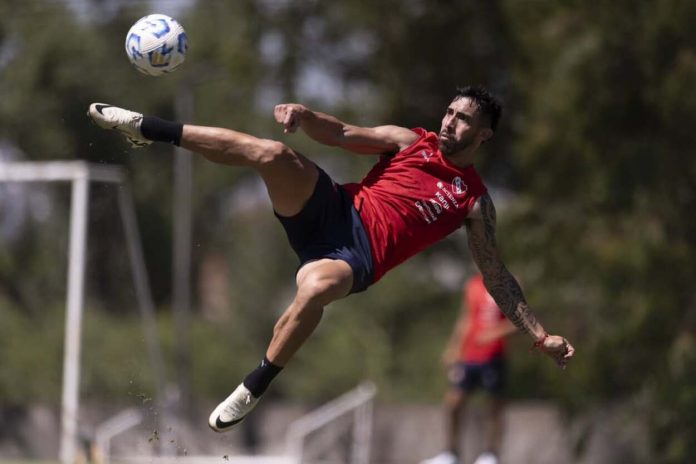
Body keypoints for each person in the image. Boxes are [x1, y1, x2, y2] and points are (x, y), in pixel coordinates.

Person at [86, 86, 575, 433]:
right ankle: (147, 129)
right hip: (334, 208)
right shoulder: (411, 142)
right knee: (272, 151)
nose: (450, 122)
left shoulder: (473, 201)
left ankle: (255, 384)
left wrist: (539, 334)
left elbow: (496, 274)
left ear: (485, 134)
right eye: (449, 112)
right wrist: (305, 115)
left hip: (355, 256)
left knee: (316, 289)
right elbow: (342, 132)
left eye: (463, 118)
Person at [423, 273, 517, 464]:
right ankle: (451, 453)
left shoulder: (507, 283)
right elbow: (466, 318)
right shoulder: (472, 284)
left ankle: (491, 454)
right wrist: (453, 348)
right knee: (454, 401)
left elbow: (519, 320)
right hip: (470, 355)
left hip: (494, 356)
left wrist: (493, 333)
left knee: (494, 405)